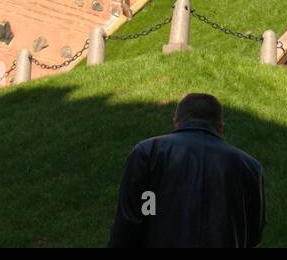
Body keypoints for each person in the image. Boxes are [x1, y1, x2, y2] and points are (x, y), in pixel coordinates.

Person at [108, 92, 265, 247]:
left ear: (176, 123)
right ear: (220, 128)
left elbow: (130, 221)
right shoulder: (250, 168)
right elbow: (252, 235)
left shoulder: (148, 153)